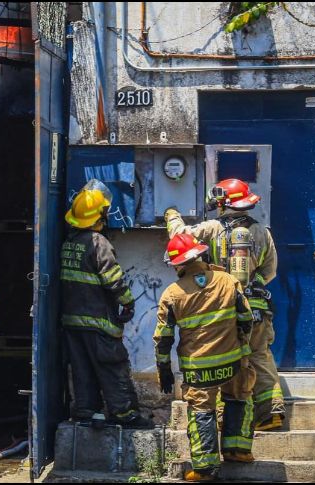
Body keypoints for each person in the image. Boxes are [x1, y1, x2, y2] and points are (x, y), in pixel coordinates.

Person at [165, 178, 282, 431]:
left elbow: (179, 238)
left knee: (224, 360)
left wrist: (172, 215)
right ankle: (271, 411)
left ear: (222, 203)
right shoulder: (263, 232)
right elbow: (269, 272)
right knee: (260, 355)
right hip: (258, 307)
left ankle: (222, 417)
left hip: (226, 307)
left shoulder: (211, 228)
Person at [155, 233, 256, 482]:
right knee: (239, 397)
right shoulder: (228, 280)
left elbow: (164, 337)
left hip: (199, 368)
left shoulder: (172, 294)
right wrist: (240, 342)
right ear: (199, 254)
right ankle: (237, 450)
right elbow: (246, 319)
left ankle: (205, 469)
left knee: (202, 411)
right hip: (232, 360)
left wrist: (164, 368)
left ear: (177, 264)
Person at [59, 179, 151, 428]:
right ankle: (125, 415)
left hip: (73, 323)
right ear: (99, 215)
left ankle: (88, 413)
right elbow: (113, 280)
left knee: (82, 370)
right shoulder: (98, 244)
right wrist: (128, 303)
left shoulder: (69, 243)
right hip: (99, 322)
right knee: (112, 367)